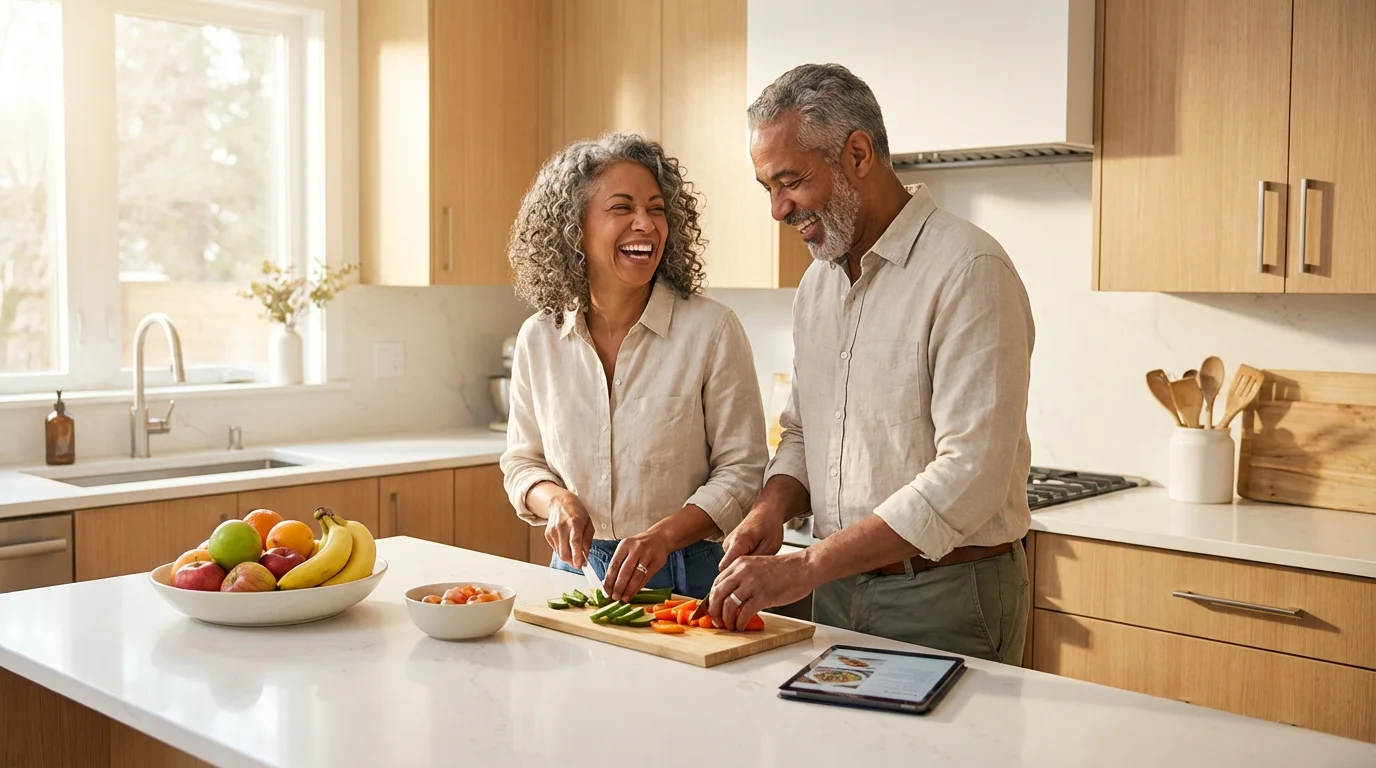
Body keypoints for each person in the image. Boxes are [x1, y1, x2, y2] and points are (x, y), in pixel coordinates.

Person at [707, 64, 1036, 665]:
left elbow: (971, 474)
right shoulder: (815, 288)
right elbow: (805, 431)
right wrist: (771, 507)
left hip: (944, 593)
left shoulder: (968, 270)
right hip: (835, 590)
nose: (778, 209)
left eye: (791, 181)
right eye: (767, 188)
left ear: (857, 153)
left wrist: (806, 566)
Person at [499, 132, 768, 602]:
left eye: (656, 209)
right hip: (575, 572)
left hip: (689, 570)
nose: (645, 223)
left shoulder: (711, 330)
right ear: (573, 227)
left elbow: (742, 471)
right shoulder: (538, 339)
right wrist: (556, 501)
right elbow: (523, 462)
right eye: (622, 208)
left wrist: (664, 536)